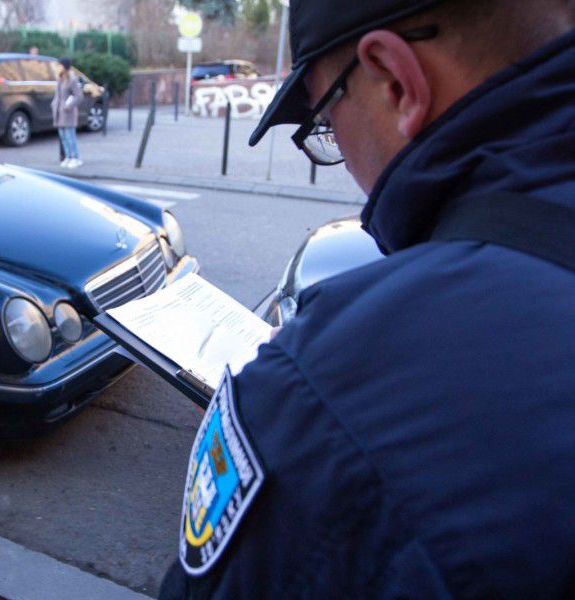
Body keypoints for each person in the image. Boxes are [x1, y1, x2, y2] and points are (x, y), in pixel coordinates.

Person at [161, 0, 575, 597]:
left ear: (395, 80)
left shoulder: (326, 394)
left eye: (325, 120)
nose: (343, 164)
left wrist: (315, 378)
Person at [51, 56, 83, 169]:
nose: (57, 67)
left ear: (64, 66)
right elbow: (57, 95)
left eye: (59, 65)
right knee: (63, 136)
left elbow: (79, 96)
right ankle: (68, 157)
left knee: (70, 136)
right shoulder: (60, 79)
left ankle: (75, 157)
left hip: (68, 113)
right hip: (59, 113)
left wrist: (68, 105)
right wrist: (54, 104)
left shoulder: (72, 80)